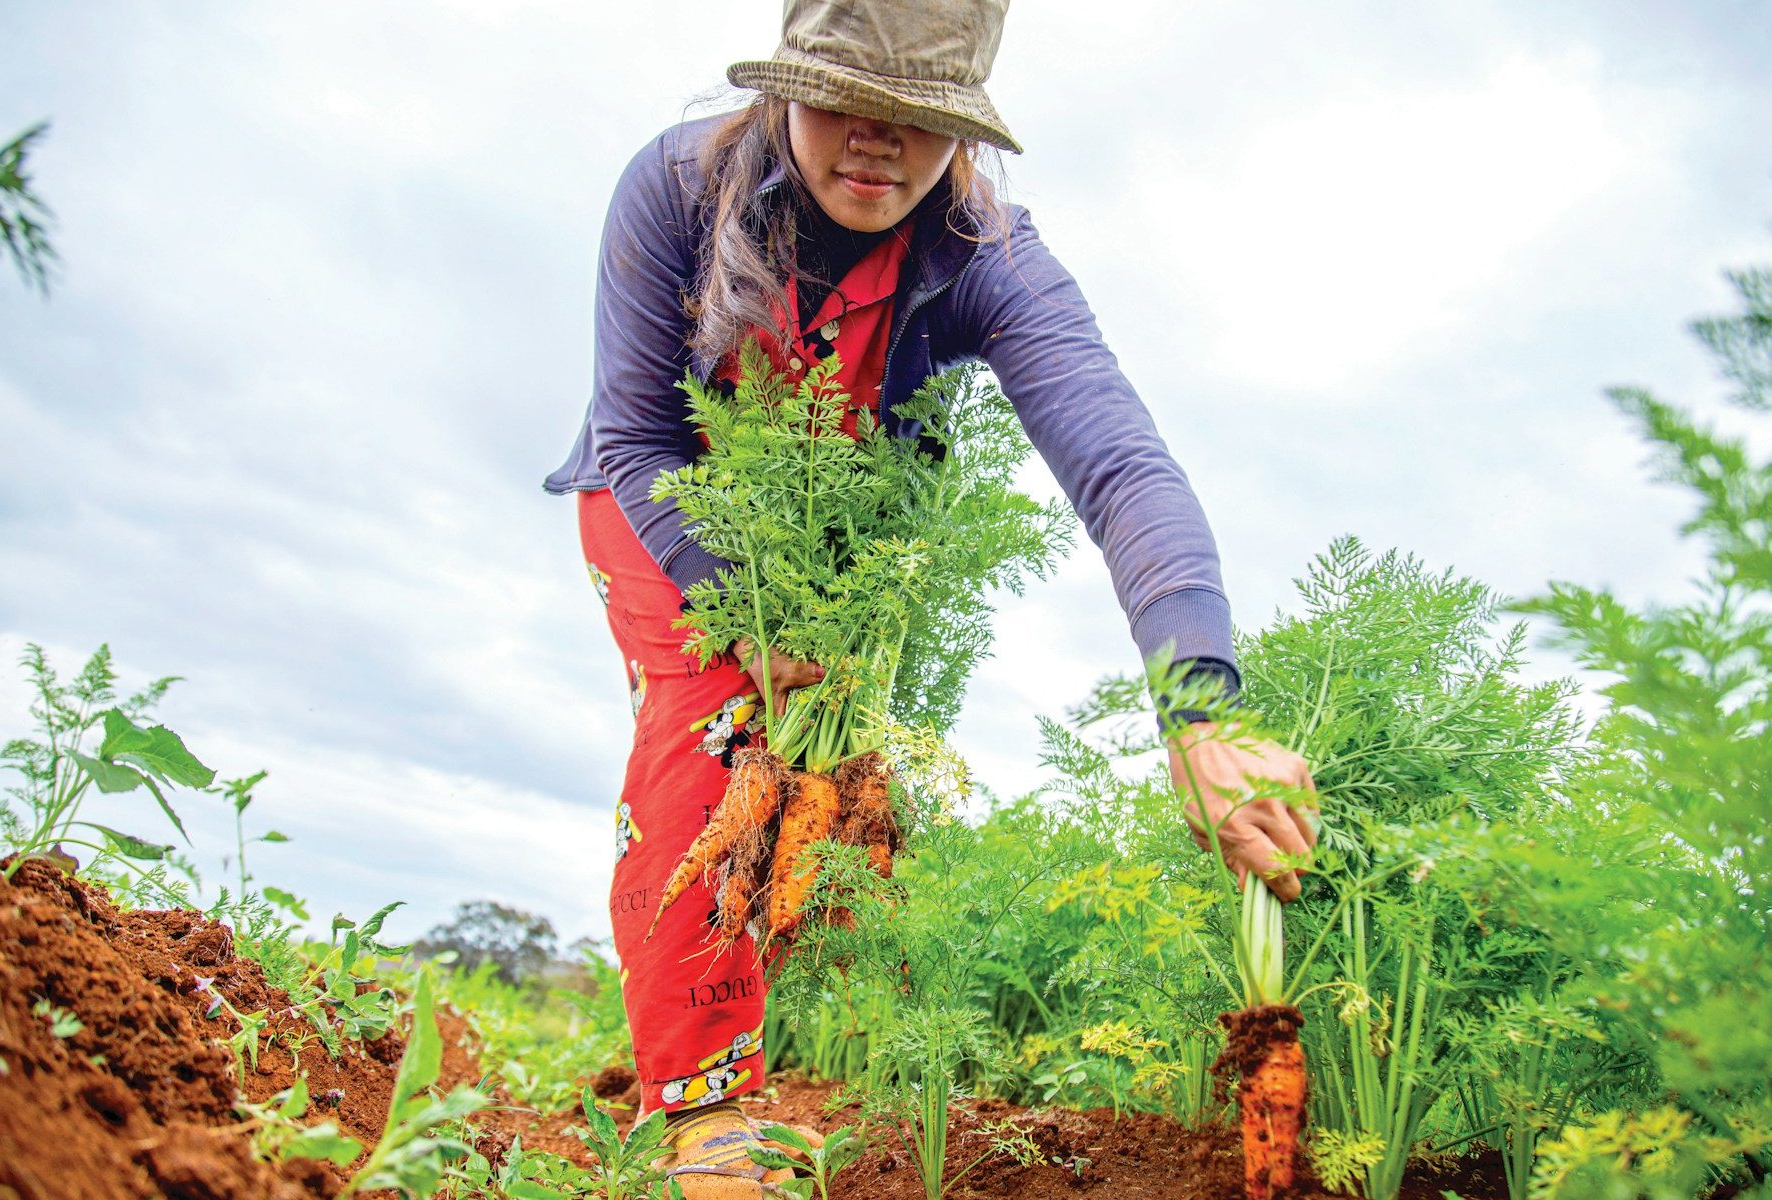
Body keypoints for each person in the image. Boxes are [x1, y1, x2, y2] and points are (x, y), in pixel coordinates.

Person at [542, 1, 1319, 1192]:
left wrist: (1199, 709)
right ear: (786, 90)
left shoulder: (991, 259)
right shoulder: (674, 188)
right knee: (709, 735)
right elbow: (641, 429)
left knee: (830, 793)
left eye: (924, 121)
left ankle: (753, 1025)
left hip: (833, 530)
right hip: (667, 506)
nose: (880, 144)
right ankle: (706, 1113)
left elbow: (1121, 468)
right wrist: (739, 618)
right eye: (849, 101)